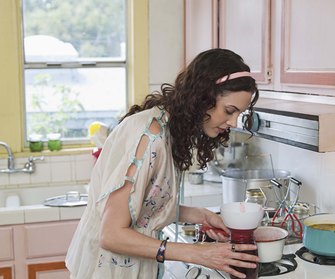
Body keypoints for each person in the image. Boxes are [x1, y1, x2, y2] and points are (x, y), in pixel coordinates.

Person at [65, 48, 260, 279]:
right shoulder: (149, 137)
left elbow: (143, 206)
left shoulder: (168, 129)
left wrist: (199, 215)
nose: (234, 122)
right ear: (203, 97)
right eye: (229, 111)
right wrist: (197, 253)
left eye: (239, 114)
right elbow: (111, 235)